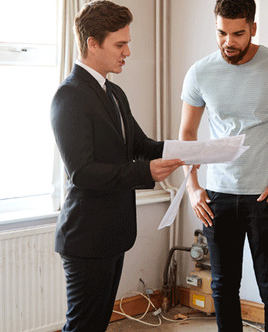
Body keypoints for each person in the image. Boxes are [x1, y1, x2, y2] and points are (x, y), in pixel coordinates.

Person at [50, 1, 183, 331]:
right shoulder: (69, 96)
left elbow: (142, 146)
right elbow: (82, 172)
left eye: (127, 43)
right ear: (93, 43)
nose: (127, 52)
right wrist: (144, 172)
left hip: (113, 234)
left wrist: (191, 151)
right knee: (83, 326)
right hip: (87, 237)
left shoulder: (115, 93)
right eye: (119, 44)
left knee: (97, 325)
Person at [178, 0, 268, 330]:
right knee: (222, 287)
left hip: (267, 197)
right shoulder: (200, 72)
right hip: (218, 197)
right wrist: (193, 188)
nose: (228, 42)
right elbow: (188, 133)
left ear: (253, 28)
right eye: (221, 32)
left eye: (237, 33)